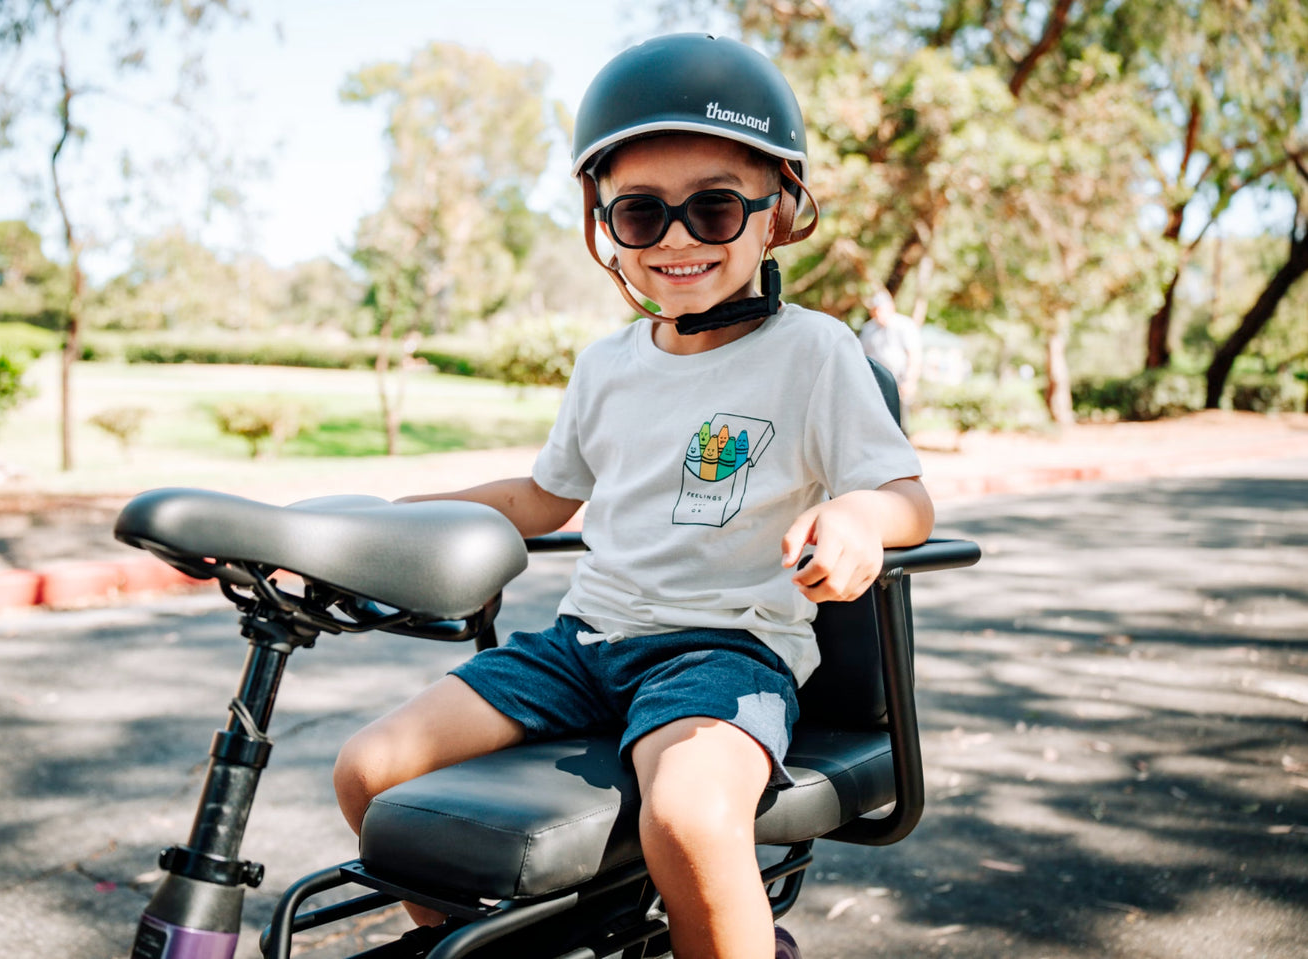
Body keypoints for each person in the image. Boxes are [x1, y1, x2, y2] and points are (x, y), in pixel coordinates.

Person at [333, 33, 934, 959]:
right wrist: (396, 516)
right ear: (605, 226)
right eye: (643, 214)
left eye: (716, 209)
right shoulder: (607, 365)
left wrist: (857, 519)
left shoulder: (813, 353)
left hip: (723, 651)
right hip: (583, 644)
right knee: (366, 773)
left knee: (689, 818)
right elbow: (543, 496)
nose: (679, 239)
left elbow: (902, 494)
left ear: (776, 215)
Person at [859, 289, 924, 422]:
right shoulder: (868, 329)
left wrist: (910, 381)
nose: (877, 313)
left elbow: (914, 355)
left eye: (881, 309)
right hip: (875, 384)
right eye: (875, 309)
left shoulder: (905, 325)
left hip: (899, 382)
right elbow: (861, 357)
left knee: (900, 423)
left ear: (890, 308)